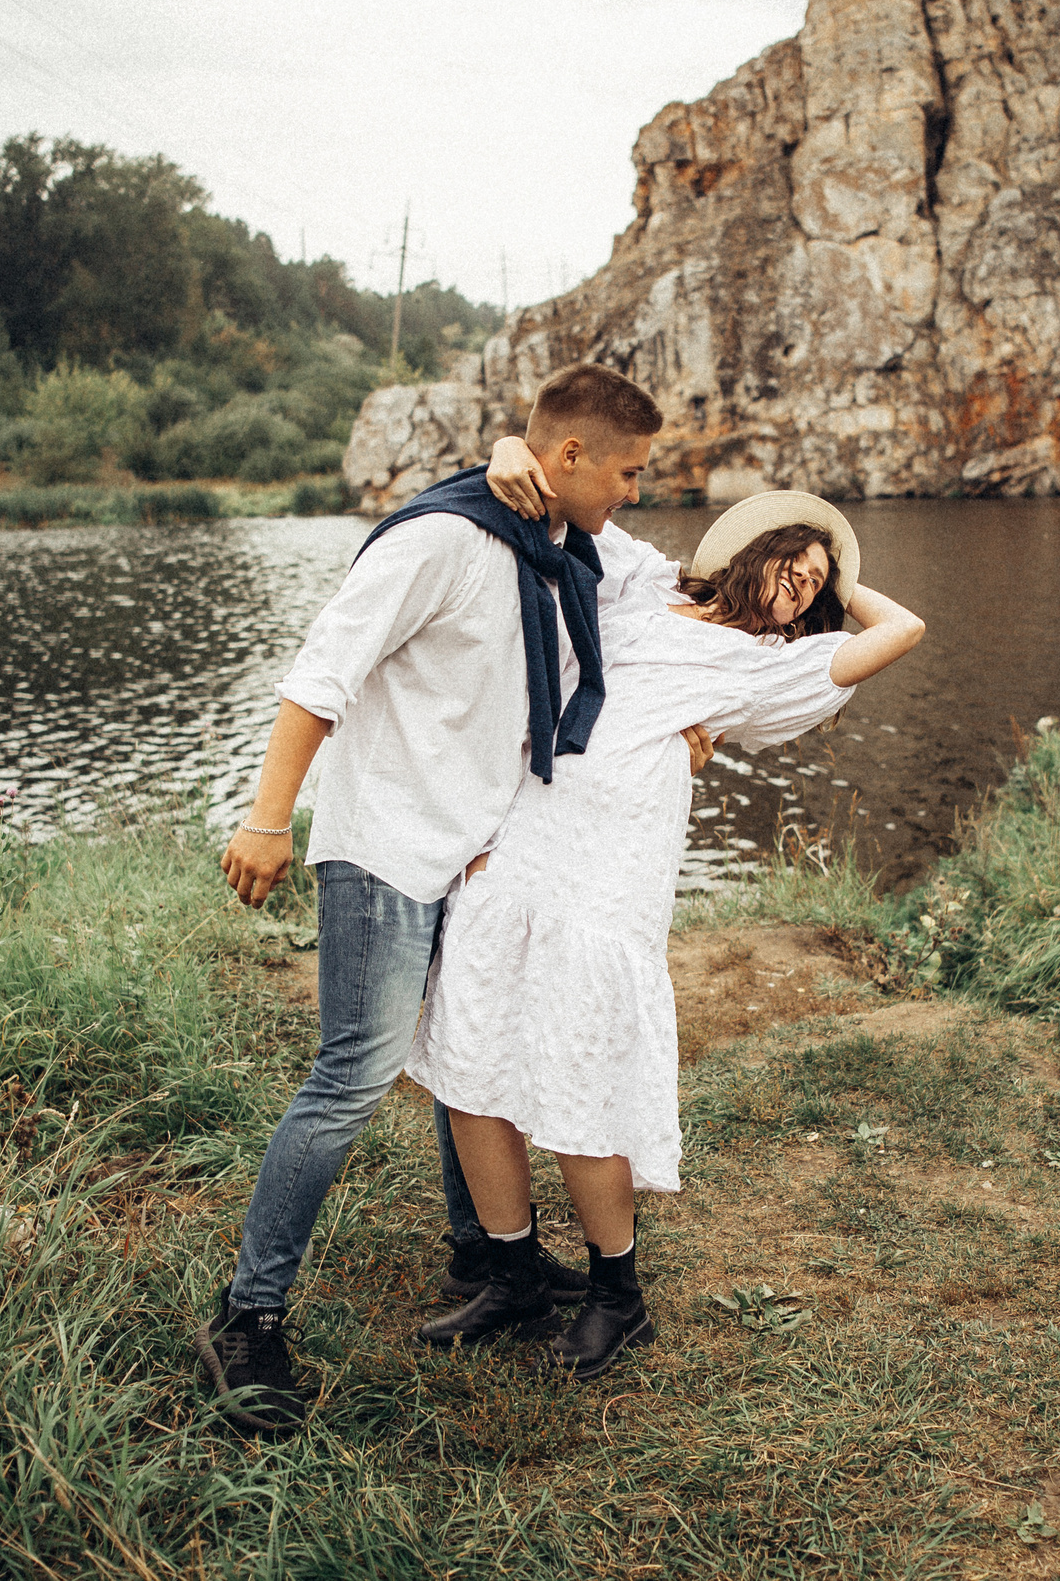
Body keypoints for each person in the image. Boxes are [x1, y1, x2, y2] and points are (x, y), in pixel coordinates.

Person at [203, 363, 697, 1436]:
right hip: (384, 846)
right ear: (567, 457)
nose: (633, 493)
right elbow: (321, 670)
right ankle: (246, 1316)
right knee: (355, 1075)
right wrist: (266, 815)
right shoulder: (438, 539)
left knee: (464, 1047)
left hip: (479, 852)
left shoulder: (575, 546)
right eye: (625, 473)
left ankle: (490, 1261)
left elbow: (704, 587)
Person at [404, 488, 926, 1379]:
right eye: (793, 566)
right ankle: (515, 1270)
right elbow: (571, 513)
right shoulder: (645, 587)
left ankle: (618, 1296)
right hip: (518, 849)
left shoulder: (763, 664)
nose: (801, 590)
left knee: (579, 1075)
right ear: (751, 550)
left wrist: (843, 572)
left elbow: (903, 628)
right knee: (472, 1063)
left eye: (814, 588)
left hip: (607, 880)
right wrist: (504, 457)